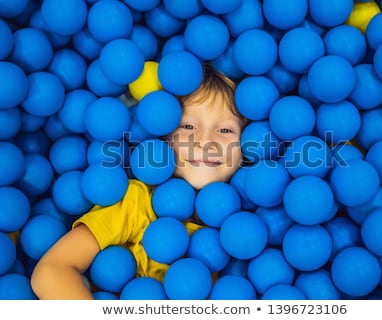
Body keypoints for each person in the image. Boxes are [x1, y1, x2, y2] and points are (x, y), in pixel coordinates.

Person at [30, 64, 248, 299]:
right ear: (164, 137)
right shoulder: (135, 202)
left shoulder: (246, 225)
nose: (205, 140)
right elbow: (51, 272)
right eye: (188, 126)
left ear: (245, 150)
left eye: (225, 130)